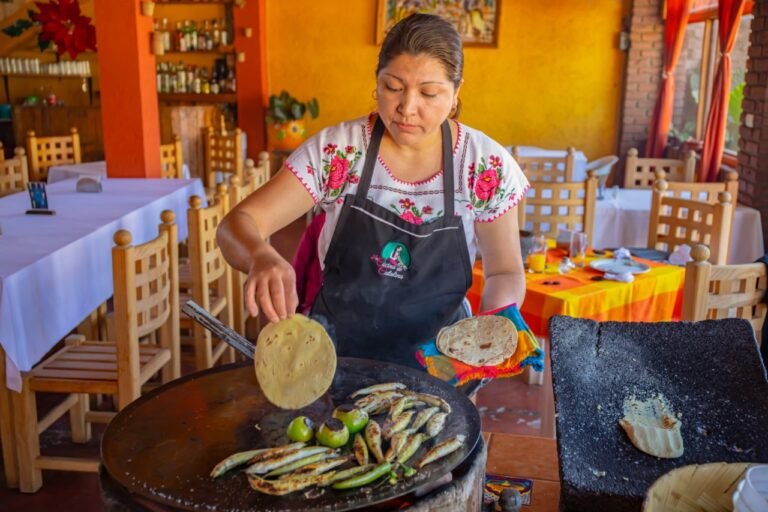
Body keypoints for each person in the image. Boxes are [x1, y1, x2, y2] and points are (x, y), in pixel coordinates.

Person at [217, 13, 528, 369]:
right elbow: (237, 223)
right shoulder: (339, 153)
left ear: (455, 94)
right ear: (376, 83)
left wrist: (489, 334)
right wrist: (260, 255)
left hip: (442, 365)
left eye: (429, 93)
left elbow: (505, 272)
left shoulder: (483, 165)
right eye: (393, 87)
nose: (407, 108)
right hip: (335, 360)